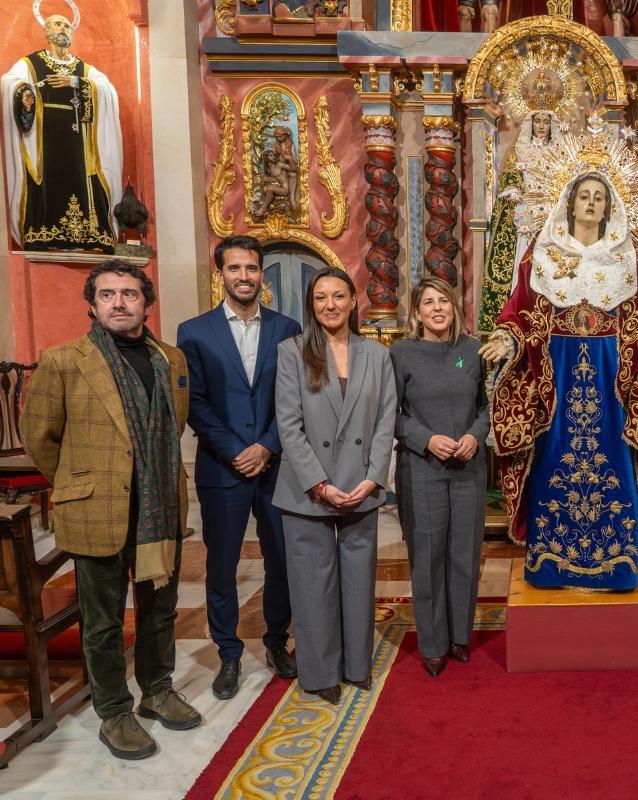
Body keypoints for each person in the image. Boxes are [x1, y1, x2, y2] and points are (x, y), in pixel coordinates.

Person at [482, 117, 638, 592]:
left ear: (611, 206)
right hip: (554, 377)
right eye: (585, 195)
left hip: (612, 379)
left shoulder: (629, 259)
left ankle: (617, 562)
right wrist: (508, 338)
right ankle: (552, 562)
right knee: (552, 460)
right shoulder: (539, 256)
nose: (592, 203)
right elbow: (520, 311)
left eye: (600, 196)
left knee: (614, 463)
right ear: (569, 201)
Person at [20, 260, 199, 760]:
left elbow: (175, 424)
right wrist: (79, 482)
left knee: (159, 611)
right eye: (107, 294)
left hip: (159, 505)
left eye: (129, 293)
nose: (119, 302)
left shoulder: (171, 359)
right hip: (98, 508)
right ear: (93, 304)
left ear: (146, 301)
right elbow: (40, 436)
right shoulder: (64, 360)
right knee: (102, 621)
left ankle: (157, 690)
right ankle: (114, 710)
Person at [177, 235, 302, 701]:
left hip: (275, 466)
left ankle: (276, 641)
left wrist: (267, 446)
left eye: (252, 268)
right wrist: (237, 450)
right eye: (235, 268)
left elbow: (292, 398)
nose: (244, 276)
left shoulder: (287, 328)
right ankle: (228, 652)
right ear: (221, 273)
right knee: (222, 565)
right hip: (221, 468)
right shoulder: (194, 332)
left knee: (281, 561)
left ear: (261, 274)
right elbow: (197, 403)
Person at [273, 268, 397, 705]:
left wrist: (372, 478)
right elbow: (288, 426)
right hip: (309, 490)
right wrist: (319, 484)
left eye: (338, 296)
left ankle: (356, 666)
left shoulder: (377, 355)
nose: (330, 304)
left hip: (361, 487)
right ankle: (320, 672)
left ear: (352, 302)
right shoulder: (292, 352)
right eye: (321, 297)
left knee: (358, 584)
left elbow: (385, 421)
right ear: (312, 304)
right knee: (312, 587)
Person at [391, 277, 489, 678]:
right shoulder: (401, 353)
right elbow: (391, 414)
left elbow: (486, 406)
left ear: (454, 308)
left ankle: (458, 637)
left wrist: (474, 436)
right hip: (422, 469)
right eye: (428, 302)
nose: (436, 308)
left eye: (443, 301)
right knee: (428, 558)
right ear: (416, 312)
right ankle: (432, 643)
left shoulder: (472, 350)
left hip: (468, 469)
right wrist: (426, 439)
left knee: (464, 555)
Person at [1, 12, 121, 252]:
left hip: (79, 144)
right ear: (46, 31)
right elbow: (9, 81)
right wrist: (23, 92)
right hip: (46, 142)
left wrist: (76, 82)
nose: (64, 28)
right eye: (58, 24)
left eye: (67, 25)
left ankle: (88, 236)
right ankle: (44, 233)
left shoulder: (84, 70)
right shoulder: (31, 64)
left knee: (84, 180)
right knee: (47, 184)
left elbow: (108, 91)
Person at [478, 110, 562, 334]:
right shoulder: (520, 148)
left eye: (546, 122)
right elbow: (510, 178)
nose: (542, 126)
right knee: (523, 258)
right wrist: (514, 193)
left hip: (551, 215)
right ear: (531, 123)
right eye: (538, 121)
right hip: (526, 213)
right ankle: (521, 305)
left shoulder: (559, 151)